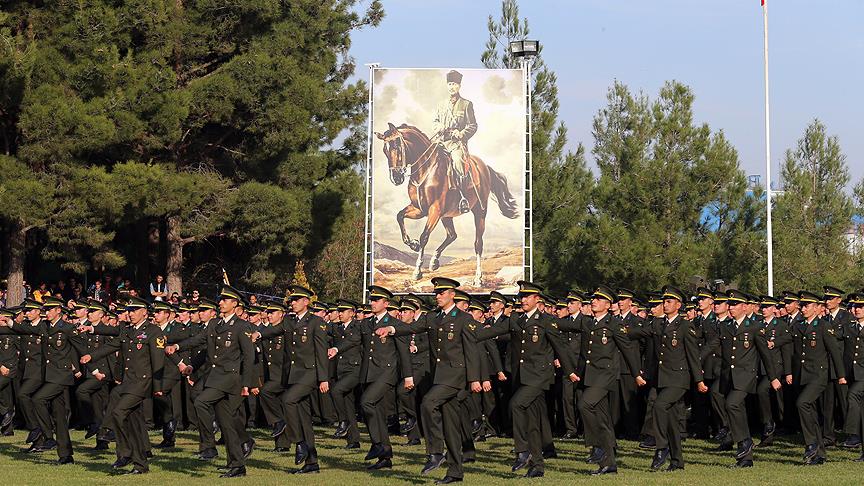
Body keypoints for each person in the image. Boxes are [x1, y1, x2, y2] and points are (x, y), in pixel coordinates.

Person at [79, 296, 168, 474]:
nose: (131, 313)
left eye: (134, 310)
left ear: (144, 312)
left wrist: (157, 388)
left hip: (142, 382)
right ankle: (140, 464)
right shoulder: (127, 331)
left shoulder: (153, 332)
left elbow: (158, 362)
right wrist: (92, 356)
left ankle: (124, 452)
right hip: (128, 382)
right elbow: (112, 346)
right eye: (129, 310)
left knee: (118, 413)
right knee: (132, 420)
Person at [432, 69, 477, 214]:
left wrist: (461, 133)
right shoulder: (440, 104)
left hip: (457, 144)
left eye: (455, 84)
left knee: (457, 161)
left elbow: (473, 126)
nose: (452, 87)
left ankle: (463, 197)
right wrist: (439, 126)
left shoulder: (466, 104)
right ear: (447, 85)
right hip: (441, 142)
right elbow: (435, 121)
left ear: (459, 86)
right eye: (450, 84)